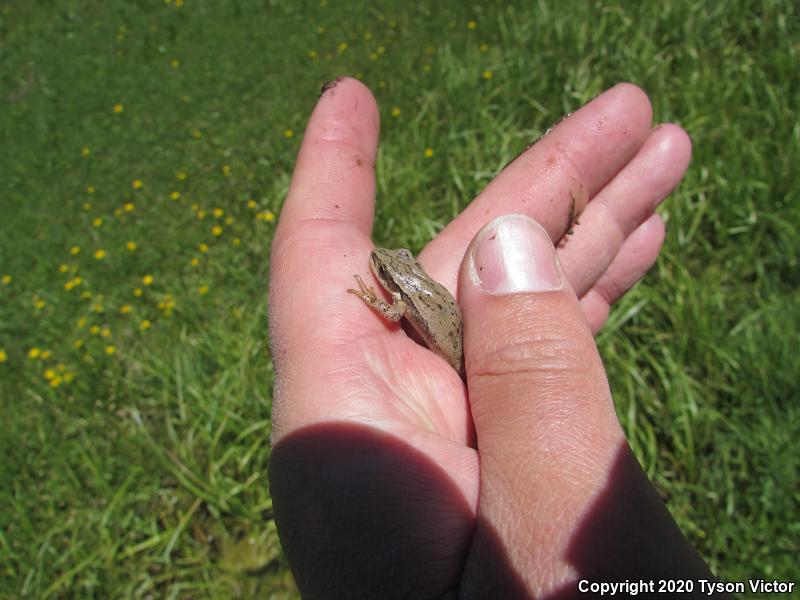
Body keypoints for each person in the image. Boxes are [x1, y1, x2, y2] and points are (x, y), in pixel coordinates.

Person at [268, 77, 721, 598]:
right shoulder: (407, 290)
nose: (384, 269)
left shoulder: (399, 295)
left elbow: (395, 309)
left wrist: (375, 297)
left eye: (391, 270)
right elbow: (406, 300)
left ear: (401, 277)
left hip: (458, 347)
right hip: (448, 327)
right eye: (389, 271)